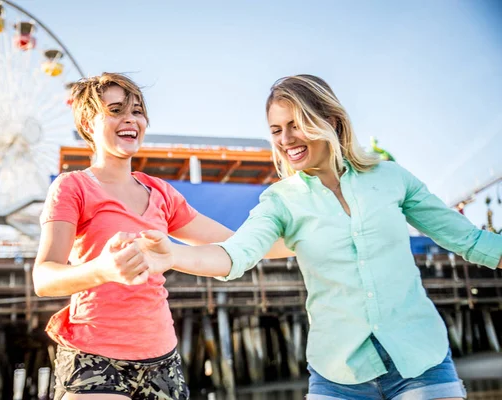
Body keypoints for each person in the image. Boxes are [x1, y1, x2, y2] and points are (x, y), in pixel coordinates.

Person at [131, 75, 502, 400]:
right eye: (276, 130)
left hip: (421, 358)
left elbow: (468, 240)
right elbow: (236, 254)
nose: (286, 139)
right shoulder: (280, 200)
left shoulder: (392, 178)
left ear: (331, 120)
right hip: (339, 376)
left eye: (297, 124)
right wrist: (172, 255)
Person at [33, 72, 293, 400]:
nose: (130, 119)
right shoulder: (73, 187)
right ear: (87, 121)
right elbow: (43, 279)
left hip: (162, 359)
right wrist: (103, 270)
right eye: (115, 110)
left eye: (137, 111)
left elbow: (234, 243)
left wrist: (301, 245)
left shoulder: (161, 192)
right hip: (95, 355)